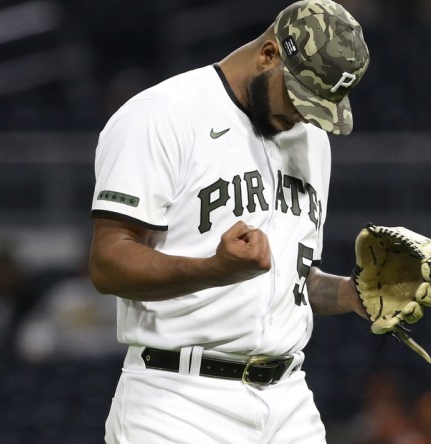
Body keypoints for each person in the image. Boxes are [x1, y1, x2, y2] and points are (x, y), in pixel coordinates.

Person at [87, 0, 370, 442]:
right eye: (298, 97)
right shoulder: (163, 115)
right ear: (269, 53)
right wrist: (214, 270)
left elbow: (287, 281)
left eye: (316, 108)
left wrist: (353, 294)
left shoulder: (311, 140)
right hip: (178, 400)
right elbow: (107, 263)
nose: (303, 115)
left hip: (289, 400)